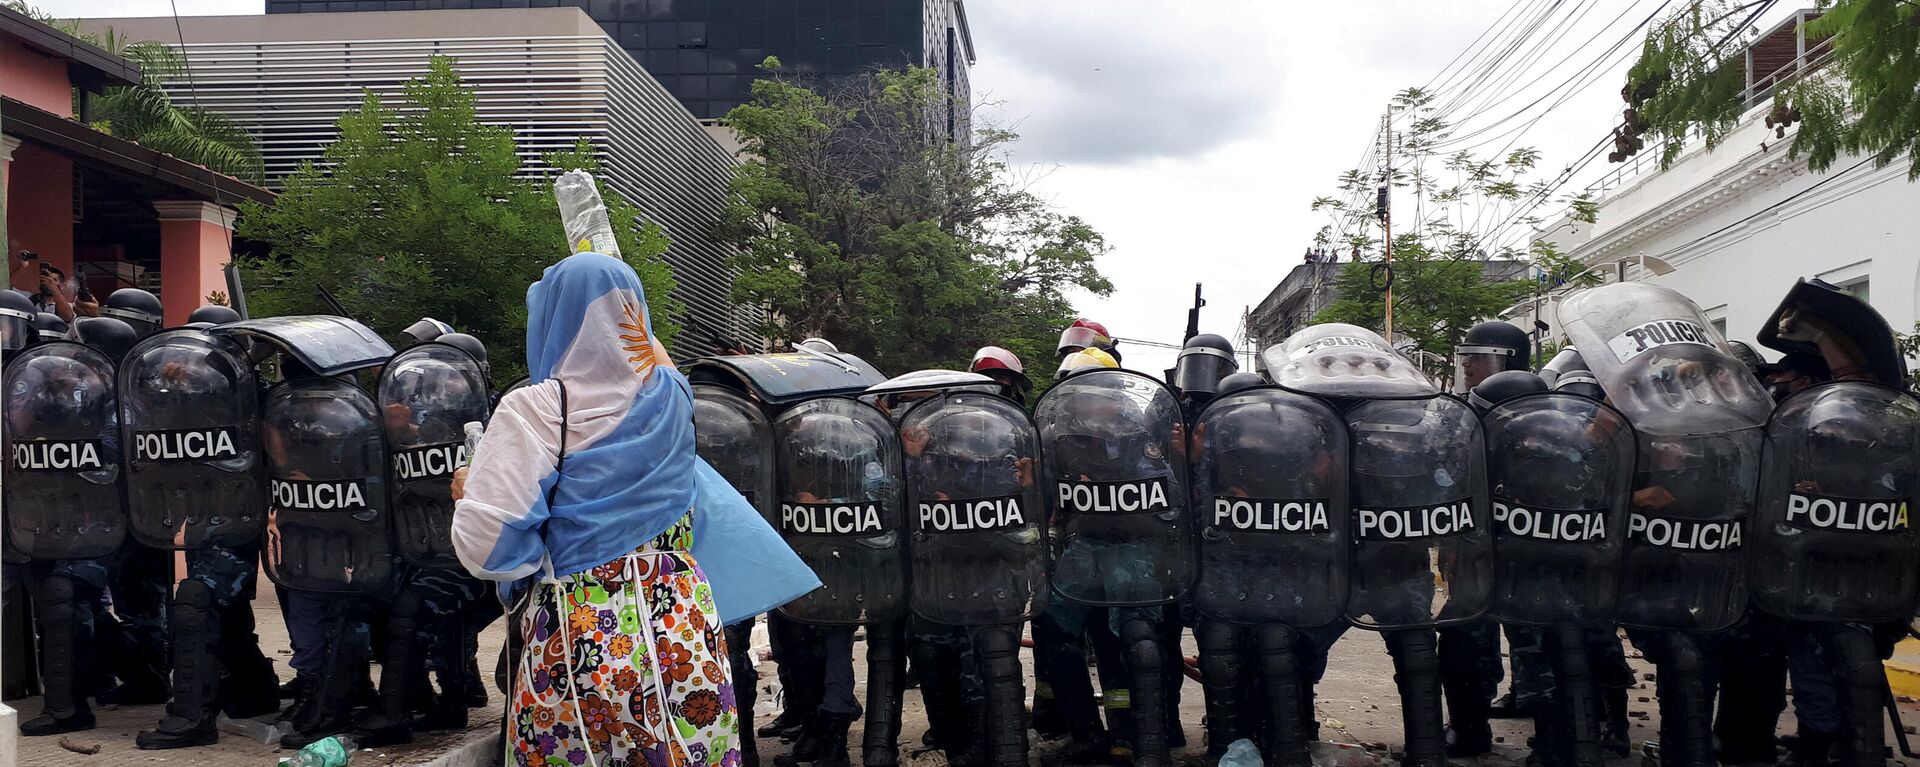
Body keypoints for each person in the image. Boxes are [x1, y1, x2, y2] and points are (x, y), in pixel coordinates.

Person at [453, 252, 738, 767]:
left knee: (579, 749)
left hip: (581, 623)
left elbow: (487, 543)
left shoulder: (537, 408)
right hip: (681, 620)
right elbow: (648, 350)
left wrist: (476, 498)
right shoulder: (675, 395)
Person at [1441, 322, 1530, 757]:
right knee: (1464, 633)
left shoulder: (1544, 409)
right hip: (1479, 548)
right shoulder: (1465, 410)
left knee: (1550, 640)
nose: (1469, 366)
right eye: (1467, 358)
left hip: (1535, 552)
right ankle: (1470, 726)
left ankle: (1566, 735)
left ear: (1508, 359)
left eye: (1479, 357)